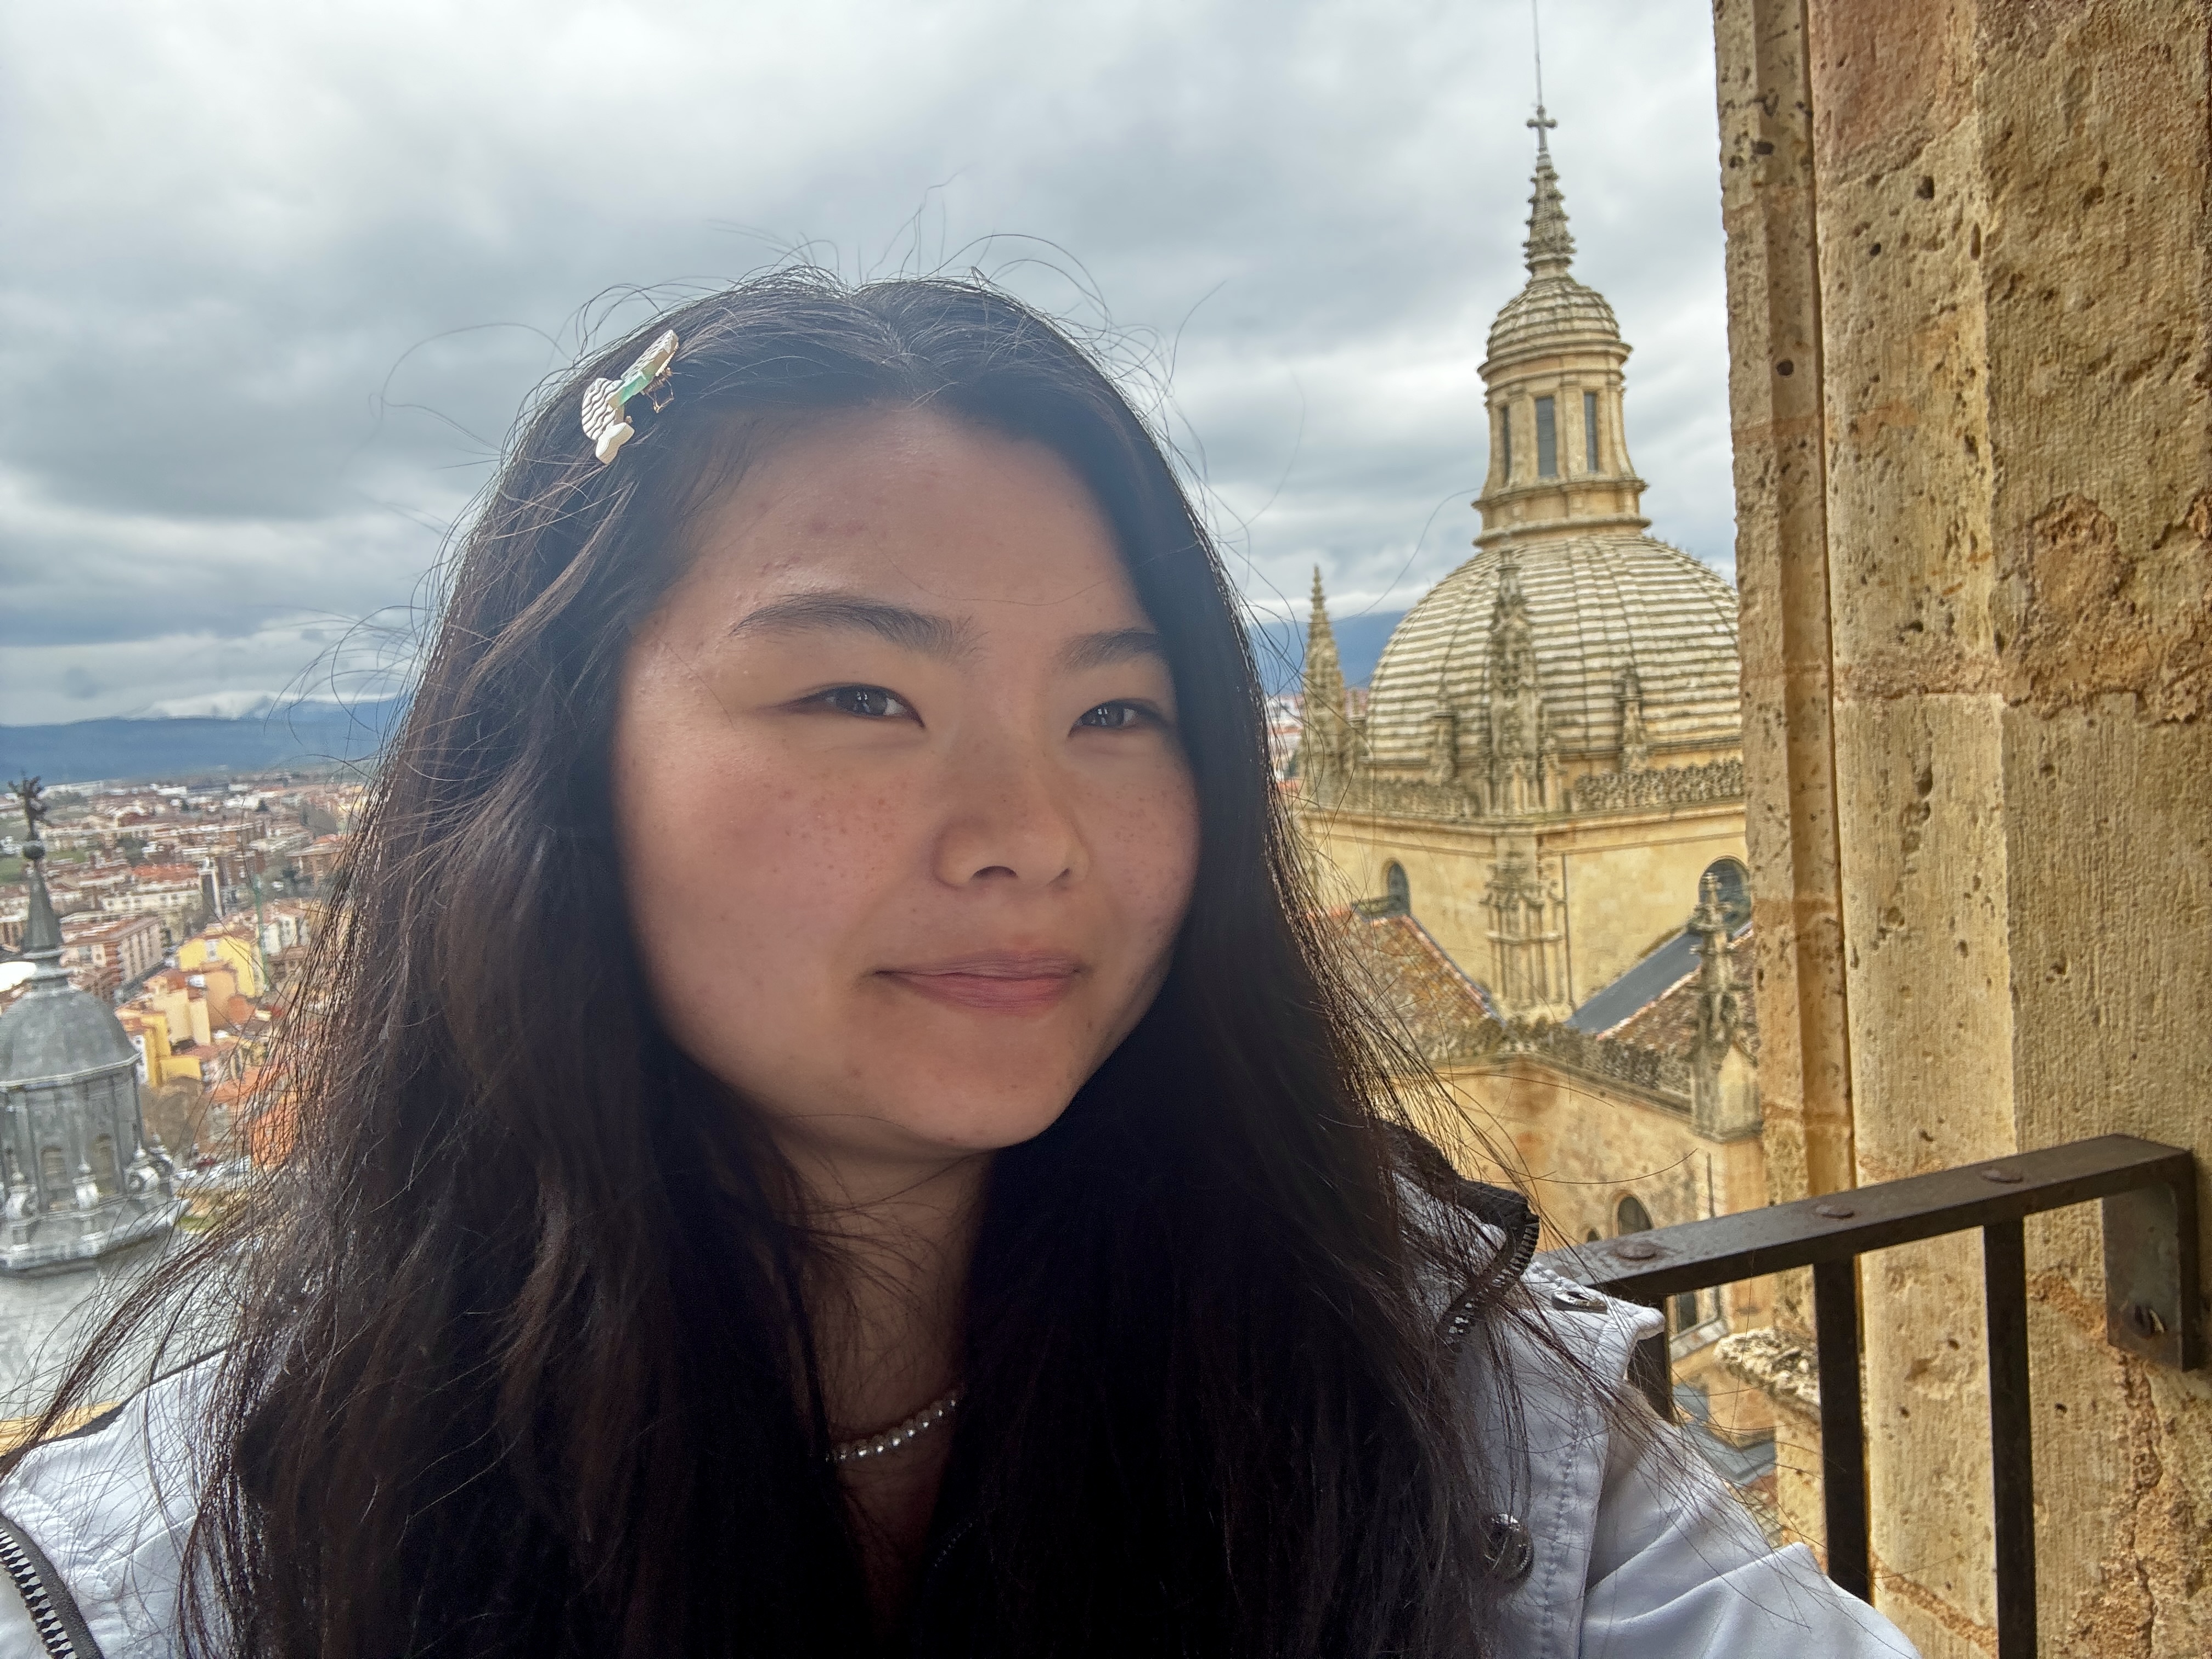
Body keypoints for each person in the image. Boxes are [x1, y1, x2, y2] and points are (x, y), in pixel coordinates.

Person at [0, 275, 1916, 1658]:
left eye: (1119, 708)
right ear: (557, 758)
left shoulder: (1452, 1394)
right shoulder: (142, 1583)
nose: (1030, 832)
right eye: (861, 692)